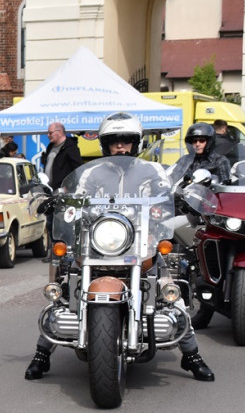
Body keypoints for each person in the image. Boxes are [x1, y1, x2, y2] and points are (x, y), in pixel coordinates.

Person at [24, 112, 215, 383]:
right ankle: (42, 353)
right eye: (115, 142)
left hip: (141, 240)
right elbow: (74, 197)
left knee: (169, 289)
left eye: (126, 141)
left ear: (136, 143)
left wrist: (178, 199)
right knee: (65, 290)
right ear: (105, 145)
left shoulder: (152, 171)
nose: (121, 147)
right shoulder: (91, 172)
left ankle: (191, 354)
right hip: (98, 240)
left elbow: (164, 194)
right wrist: (57, 200)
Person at [168, 122, 232, 184]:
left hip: (208, 194)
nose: (197, 144)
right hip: (184, 193)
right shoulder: (185, 160)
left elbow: (224, 185)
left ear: (209, 142)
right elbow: (172, 178)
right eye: (194, 141)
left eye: (202, 140)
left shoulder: (219, 161)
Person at [41, 122, 83, 189]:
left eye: (50, 133)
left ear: (59, 133)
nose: (48, 135)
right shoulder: (50, 146)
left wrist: (69, 186)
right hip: (50, 189)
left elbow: (78, 169)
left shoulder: (71, 147)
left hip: (63, 190)